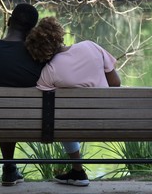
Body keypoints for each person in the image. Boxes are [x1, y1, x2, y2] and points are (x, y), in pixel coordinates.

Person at [25, 17, 121, 186]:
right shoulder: (90, 46)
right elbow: (115, 83)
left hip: (75, 126)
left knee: (58, 117)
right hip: (111, 120)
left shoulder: (49, 71)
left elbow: (44, 105)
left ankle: (78, 170)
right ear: (58, 34)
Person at [0, 3, 45, 186]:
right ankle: (76, 167)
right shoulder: (39, 56)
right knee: (10, 109)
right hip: (37, 122)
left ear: (9, 21)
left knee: (3, 108)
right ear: (32, 30)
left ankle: (9, 166)